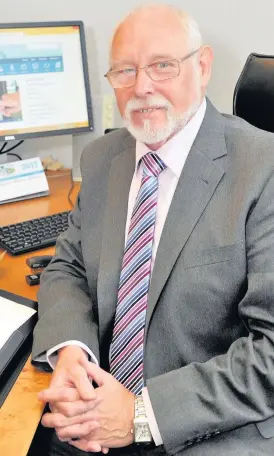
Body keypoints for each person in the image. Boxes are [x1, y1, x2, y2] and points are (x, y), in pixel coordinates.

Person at [31, 5, 274, 456]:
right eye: (125, 70)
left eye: (163, 65)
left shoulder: (263, 168)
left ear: (201, 67)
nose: (142, 87)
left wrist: (141, 416)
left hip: (208, 430)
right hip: (94, 412)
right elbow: (67, 266)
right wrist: (71, 352)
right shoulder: (103, 158)